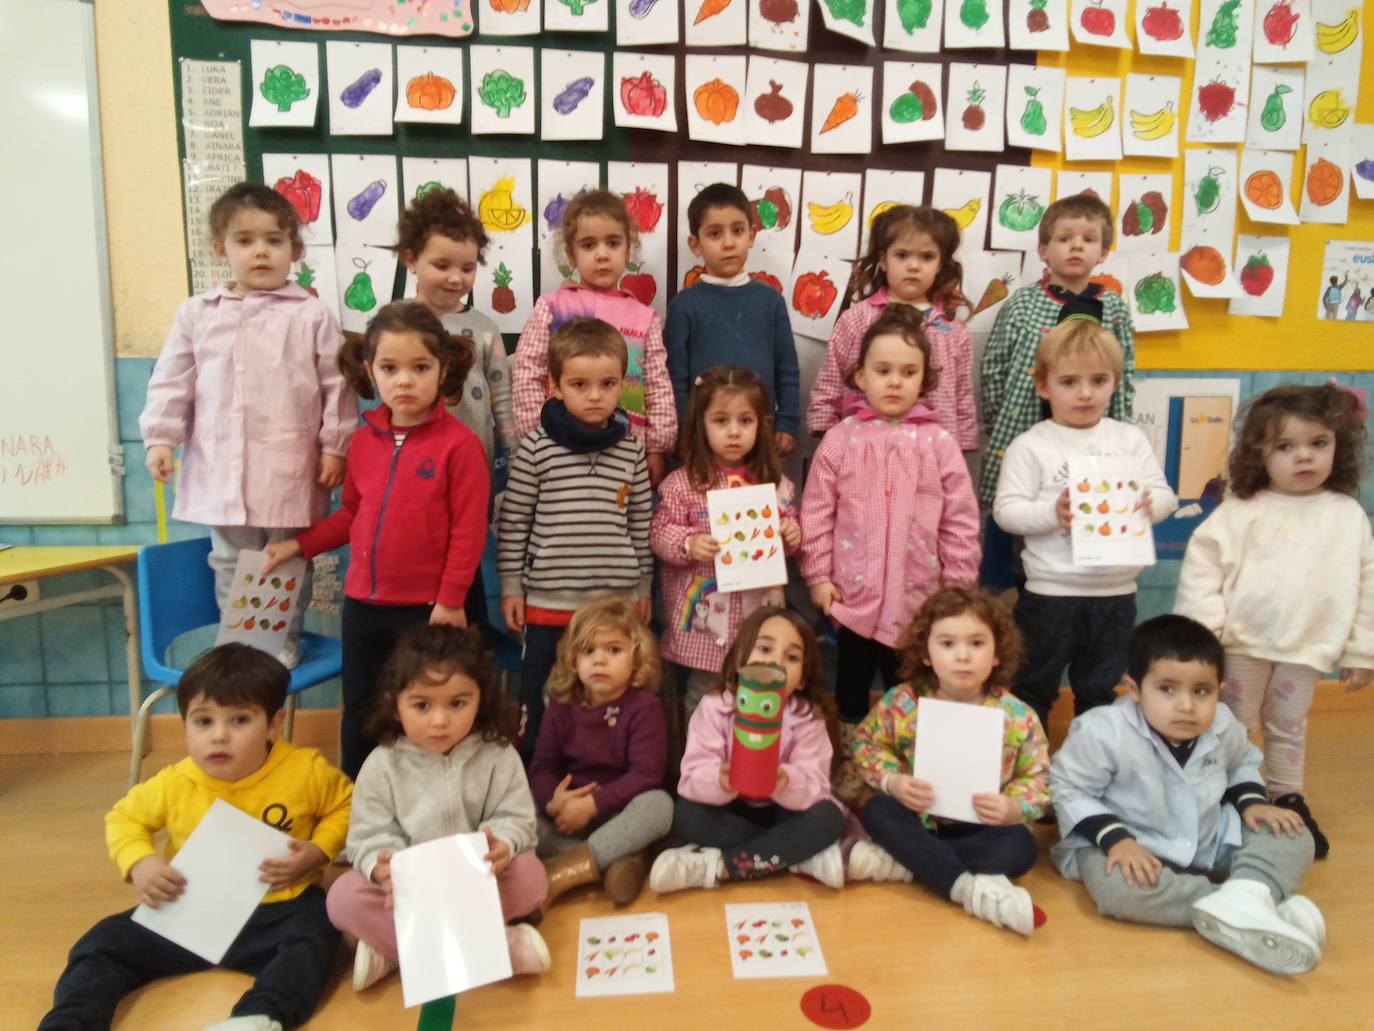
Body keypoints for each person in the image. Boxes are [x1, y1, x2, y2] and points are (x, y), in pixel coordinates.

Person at [40, 645, 353, 1031]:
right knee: (101, 942)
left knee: (317, 933)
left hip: (278, 910)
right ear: (184, 722)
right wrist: (141, 862)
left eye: (240, 720)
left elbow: (346, 805)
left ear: (273, 724)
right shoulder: (176, 782)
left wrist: (318, 850)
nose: (219, 736)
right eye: (203, 722)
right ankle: (71, 1023)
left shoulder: (305, 770)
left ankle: (260, 1017)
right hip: (192, 913)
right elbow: (125, 818)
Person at [262, 303, 488, 780]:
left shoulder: (460, 445)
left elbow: (469, 532)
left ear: (443, 369)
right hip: (363, 605)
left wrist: (450, 602)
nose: (404, 380)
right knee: (362, 708)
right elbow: (349, 515)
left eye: (420, 367)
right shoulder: (363, 443)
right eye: (390, 368)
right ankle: (357, 810)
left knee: (431, 714)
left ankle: (436, 807)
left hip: (429, 609)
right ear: (369, 370)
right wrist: (297, 546)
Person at [141, 182, 356, 669]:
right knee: (230, 560)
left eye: (274, 240)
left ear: (293, 250)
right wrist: (161, 437)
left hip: (290, 468)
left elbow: (336, 386)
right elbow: (171, 379)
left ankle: (278, 642)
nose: (261, 251)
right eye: (245, 240)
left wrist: (335, 447)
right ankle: (240, 643)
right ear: (221, 249)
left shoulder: (312, 315)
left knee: (285, 556)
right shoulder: (198, 314)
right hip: (222, 468)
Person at [1050, 615, 1325, 975]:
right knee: (1117, 890)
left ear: (1219, 689)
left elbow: (1242, 763)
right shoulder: (1103, 730)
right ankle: (1252, 905)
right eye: (1167, 689)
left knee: (1294, 834)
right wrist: (1117, 840)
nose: (1186, 706)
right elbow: (1068, 787)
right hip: (1132, 845)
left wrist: (1254, 803)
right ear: (1134, 689)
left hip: (1209, 837)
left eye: (1201, 691)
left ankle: (1250, 895)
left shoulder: (1224, 723)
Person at [1175, 383, 1373, 858]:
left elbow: (1367, 585)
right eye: (1286, 447)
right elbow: (1203, 571)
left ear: (1337, 448)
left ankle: (1287, 796)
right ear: (1260, 453)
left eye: (1318, 444)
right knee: (1232, 725)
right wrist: (1202, 638)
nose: (1304, 457)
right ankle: (1229, 795)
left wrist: (1362, 649)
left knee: (1288, 725)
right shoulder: (1240, 511)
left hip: (1306, 648)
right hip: (1241, 645)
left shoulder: (1347, 515)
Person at [326, 624, 550, 991]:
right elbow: (368, 836)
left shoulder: (499, 756)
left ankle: (397, 953)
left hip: (478, 882)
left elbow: (517, 818)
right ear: (394, 705)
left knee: (531, 875)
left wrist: (503, 846)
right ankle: (494, 945)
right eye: (421, 705)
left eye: (458, 703)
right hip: (413, 893)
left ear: (481, 701)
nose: (440, 720)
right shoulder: (382, 765)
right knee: (342, 898)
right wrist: (383, 869)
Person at [993, 309, 1177, 734]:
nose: (1085, 394)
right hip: (1050, 595)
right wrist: (1052, 513)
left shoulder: (1128, 439)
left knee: (1098, 690)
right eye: (1069, 382)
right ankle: (1029, 771)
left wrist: (1153, 503)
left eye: (1098, 381)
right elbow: (1006, 511)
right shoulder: (1031, 445)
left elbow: (1165, 494)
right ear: (1043, 385)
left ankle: (1090, 771)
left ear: (1114, 382)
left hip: (1116, 594)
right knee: (1032, 688)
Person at [800, 305, 981, 725]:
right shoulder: (840, 440)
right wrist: (818, 578)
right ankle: (850, 756)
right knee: (849, 688)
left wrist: (956, 591)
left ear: (924, 380)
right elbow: (816, 513)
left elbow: (961, 524)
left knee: (913, 695)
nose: (895, 381)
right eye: (883, 370)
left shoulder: (939, 444)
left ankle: (907, 760)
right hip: (852, 599)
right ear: (861, 376)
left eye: (908, 372)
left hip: (919, 601)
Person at [847, 587, 1050, 936]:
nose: (963, 657)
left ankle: (906, 862)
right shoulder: (904, 701)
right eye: (947, 644)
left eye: (976, 643)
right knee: (878, 811)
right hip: (915, 819)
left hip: (980, 827)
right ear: (926, 653)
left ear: (997, 653)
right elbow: (866, 744)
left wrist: (1013, 807)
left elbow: (1037, 777)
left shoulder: (1017, 716)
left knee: (1022, 848)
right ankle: (962, 886)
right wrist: (894, 781)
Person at [499, 317, 654, 761]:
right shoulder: (536, 448)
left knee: (610, 702)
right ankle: (536, 784)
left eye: (607, 384)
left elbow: (641, 520)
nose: (594, 395)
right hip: (549, 604)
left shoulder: (632, 448)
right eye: (580, 384)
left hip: (614, 604)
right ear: (555, 385)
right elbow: (514, 522)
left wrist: (642, 587)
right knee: (543, 699)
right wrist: (512, 586)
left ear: (622, 385)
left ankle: (603, 779)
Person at [978, 193, 1134, 587]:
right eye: (1065, 238)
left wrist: (1117, 435)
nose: (1077, 245)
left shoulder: (1113, 308)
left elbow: (1125, 375)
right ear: (1044, 250)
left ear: (1103, 251)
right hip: (1023, 434)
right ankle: (1001, 602)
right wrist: (1003, 429)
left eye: (1088, 238)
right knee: (1009, 529)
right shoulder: (1022, 305)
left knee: (1076, 531)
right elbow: (994, 369)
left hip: (1090, 443)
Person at [649, 607, 847, 893]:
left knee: (828, 817)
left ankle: (721, 867)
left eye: (791, 657)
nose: (775, 662)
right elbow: (691, 778)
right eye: (765, 648)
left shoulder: (806, 718)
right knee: (686, 815)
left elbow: (816, 785)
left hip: (783, 812)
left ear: (802, 677)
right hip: (731, 812)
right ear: (742, 658)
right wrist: (720, 779)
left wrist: (787, 780)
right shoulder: (716, 707)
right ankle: (789, 854)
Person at [650, 365, 801, 721]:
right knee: (706, 696)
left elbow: (786, 528)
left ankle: (750, 760)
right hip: (707, 623)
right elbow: (658, 531)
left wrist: (791, 535)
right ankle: (697, 769)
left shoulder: (775, 484)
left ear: (760, 425)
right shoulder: (682, 484)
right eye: (721, 421)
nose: (734, 432)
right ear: (701, 424)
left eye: (745, 421)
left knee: (757, 694)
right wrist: (688, 543)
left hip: (756, 617)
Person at [511, 188, 675, 486]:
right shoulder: (551, 307)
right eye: (589, 245)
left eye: (613, 243)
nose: (602, 254)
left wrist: (657, 447)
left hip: (626, 453)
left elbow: (657, 386)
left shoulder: (644, 317)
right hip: (559, 447)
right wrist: (535, 434)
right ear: (572, 254)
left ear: (627, 250)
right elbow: (528, 372)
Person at [528, 597, 674, 907]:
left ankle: (564, 870)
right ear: (572, 659)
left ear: (636, 659)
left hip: (619, 811)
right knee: (523, 810)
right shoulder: (561, 703)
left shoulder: (643, 706)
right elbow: (542, 767)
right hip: (568, 818)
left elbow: (646, 775)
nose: (599, 660)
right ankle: (618, 861)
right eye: (588, 651)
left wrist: (593, 805)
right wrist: (554, 802)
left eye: (614, 650)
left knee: (660, 806)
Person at [807, 205, 975, 452]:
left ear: (940, 264)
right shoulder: (856, 319)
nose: (914, 266)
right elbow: (831, 380)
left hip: (932, 455)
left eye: (926, 257)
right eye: (902, 255)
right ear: (884, 260)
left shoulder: (954, 330)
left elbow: (963, 394)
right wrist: (826, 429)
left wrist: (964, 441)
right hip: (863, 450)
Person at [665, 183, 800, 455]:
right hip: (701, 442)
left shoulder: (771, 302)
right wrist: (683, 431)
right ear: (695, 244)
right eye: (714, 234)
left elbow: (787, 367)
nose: (728, 243)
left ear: (751, 236)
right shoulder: (683, 306)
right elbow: (674, 378)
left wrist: (786, 421)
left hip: (758, 437)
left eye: (737, 231)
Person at [398, 185, 518, 466]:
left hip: (473, 458)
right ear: (412, 260)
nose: (456, 279)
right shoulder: (397, 323)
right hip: (413, 458)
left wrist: (514, 452)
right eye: (442, 266)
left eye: (467, 268)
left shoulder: (485, 327)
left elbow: (501, 398)